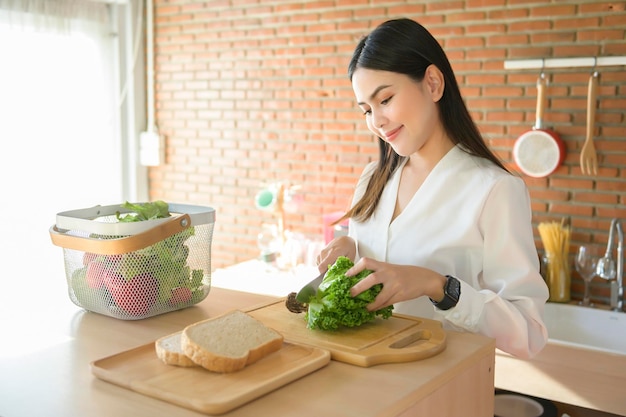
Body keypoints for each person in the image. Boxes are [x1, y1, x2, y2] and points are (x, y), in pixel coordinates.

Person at [317, 18, 549, 359]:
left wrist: (438, 286)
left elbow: (528, 335)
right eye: (366, 110)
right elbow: (387, 261)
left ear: (433, 83)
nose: (376, 121)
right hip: (365, 385)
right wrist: (351, 251)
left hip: (443, 393)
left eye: (385, 99)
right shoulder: (372, 179)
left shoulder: (495, 190)